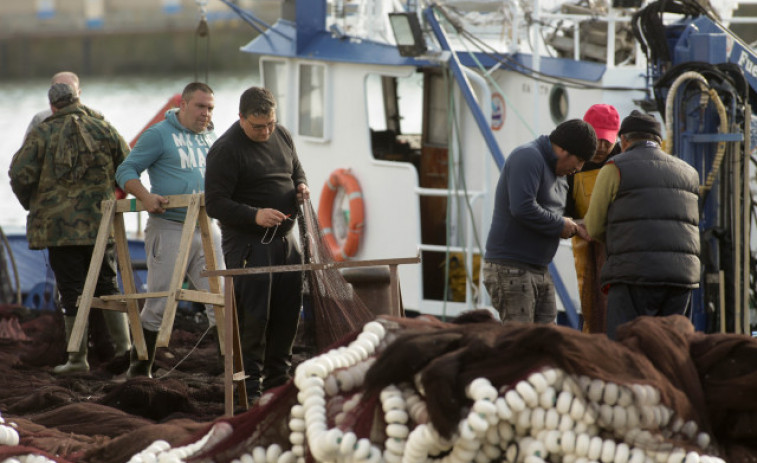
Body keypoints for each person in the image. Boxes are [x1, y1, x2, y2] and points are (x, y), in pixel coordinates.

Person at [10, 82, 132, 374]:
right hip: (100, 223)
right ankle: (125, 352)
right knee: (108, 285)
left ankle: (77, 360)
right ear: (77, 99)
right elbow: (128, 164)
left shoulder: (41, 133)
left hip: (59, 229)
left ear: (52, 106)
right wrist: (110, 192)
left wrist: (35, 204)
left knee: (71, 290)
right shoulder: (105, 128)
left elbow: (18, 174)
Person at [205, 86, 310, 401]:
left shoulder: (283, 136)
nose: (265, 132)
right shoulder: (225, 149)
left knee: (288, 312)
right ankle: (249, 390)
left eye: (270, 124)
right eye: (257, 127)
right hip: (248, 243)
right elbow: (215, 204)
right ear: (240, 119)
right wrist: (255, 215)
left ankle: (278, 383)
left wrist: (302, 186)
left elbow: (296, 170)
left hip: (285, 240)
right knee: (254, 318)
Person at [115, 81, 224, 378]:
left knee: (222, 300)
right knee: (161, 302)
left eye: (211, 108)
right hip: (170, 227)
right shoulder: (159, 135)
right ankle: (140, 369)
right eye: (200, 106)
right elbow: (125, 171)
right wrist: (146, 197)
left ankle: (230, 367)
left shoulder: (212, 136)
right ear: (184, 105)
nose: (206, 113)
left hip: (206, 227)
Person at [584, 110, 700, 340]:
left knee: (628, 351)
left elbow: (594, 226)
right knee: (671, 350)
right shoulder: (690, 173)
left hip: (632, 275)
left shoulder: (614, 167)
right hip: (681, 278)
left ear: (624, 141)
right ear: (659, 140)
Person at [483, 119, 597, 324]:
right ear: (562, 150)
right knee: (522, 346)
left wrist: (577, 226)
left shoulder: (560, 172)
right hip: (511, 267)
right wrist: (560, 225)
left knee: (544, 345)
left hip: (539, 268)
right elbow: (522, 207)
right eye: (579, 160)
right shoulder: (527, 157)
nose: (579, 168)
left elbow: (552, 212)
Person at [565, 104, 621, 334]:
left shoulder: (622, 161)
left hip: (617, 248)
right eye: (597, 139)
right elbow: (564, 208)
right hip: (584, 248)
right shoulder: (572, 165)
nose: (602, 146)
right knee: (591, 310)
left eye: (608, 140)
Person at [26, 72, 83, 137]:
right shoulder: (40, 119)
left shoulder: (93, 118)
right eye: (58, 89)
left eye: (70, 92)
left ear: (79, 93)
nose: (64, 94)